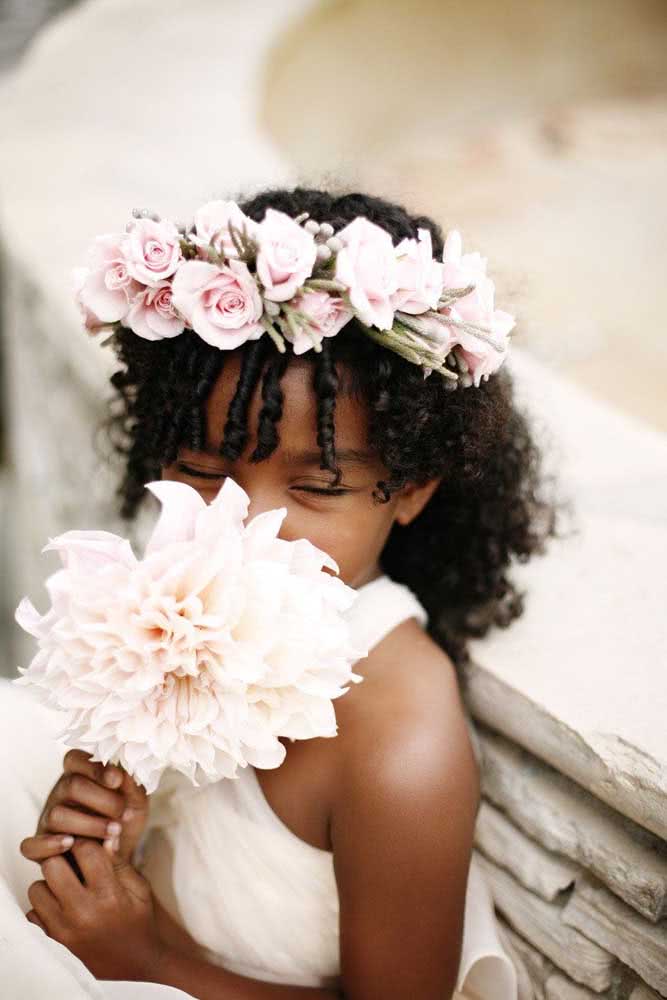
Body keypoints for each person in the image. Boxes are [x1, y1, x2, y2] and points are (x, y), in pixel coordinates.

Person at [4, 186, 562, 999]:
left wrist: (151, 961)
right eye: (201, 469)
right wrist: (108, 848)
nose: (243, 522)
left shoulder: (398, 740)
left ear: (410, 489)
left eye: (317, 488)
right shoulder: (168, 615)